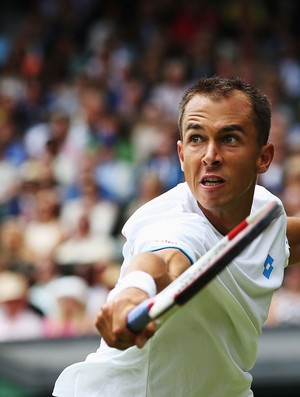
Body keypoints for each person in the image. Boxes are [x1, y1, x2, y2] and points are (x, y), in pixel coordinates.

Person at [53, 76, 300, 397]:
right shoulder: (173, 225)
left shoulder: (266, 213)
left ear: (263, 157)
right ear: (182, 154)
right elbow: (162, 263)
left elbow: (284, 241)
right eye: (197, 139)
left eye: (230, 139)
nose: (211, 155)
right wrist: (132, 294)